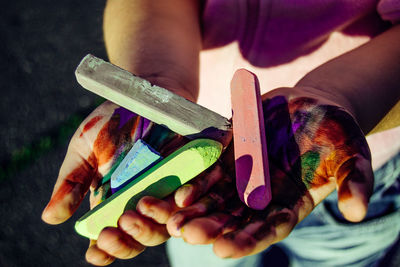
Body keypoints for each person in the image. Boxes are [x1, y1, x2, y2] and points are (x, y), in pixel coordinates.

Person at [42, 0, 400, 266]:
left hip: (347, 160)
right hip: (194, 156)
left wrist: (344, 96)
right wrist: (156, 80)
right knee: (202, 248)